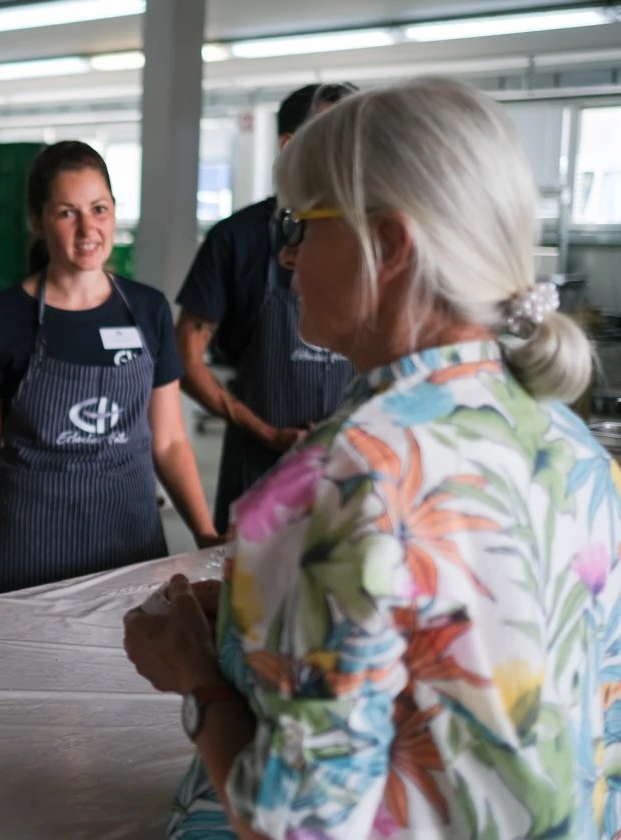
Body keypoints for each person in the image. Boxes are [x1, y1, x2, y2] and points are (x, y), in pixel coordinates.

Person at [125, 77, 621, 838]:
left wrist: (195, 669)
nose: (286, 258)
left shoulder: (339, 483)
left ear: (388, 244)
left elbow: (296, 822)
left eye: (304, 224)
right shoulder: (571, 444)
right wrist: (262, 625)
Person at [0, 141, 217, 604]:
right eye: (68, 213)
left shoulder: (147, 311)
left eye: (99, 209)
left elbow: (168, 440)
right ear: (38, 221)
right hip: (25, 548)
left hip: (130, 544)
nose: (88, 228)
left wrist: (206, 534)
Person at [175, 83, 358, 535]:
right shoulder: (236, 241)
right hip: (260, 466)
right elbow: (184, 358)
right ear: (290, 146)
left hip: (352, 466)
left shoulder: (364, 239)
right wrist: (267, 434)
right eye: (335, 139)